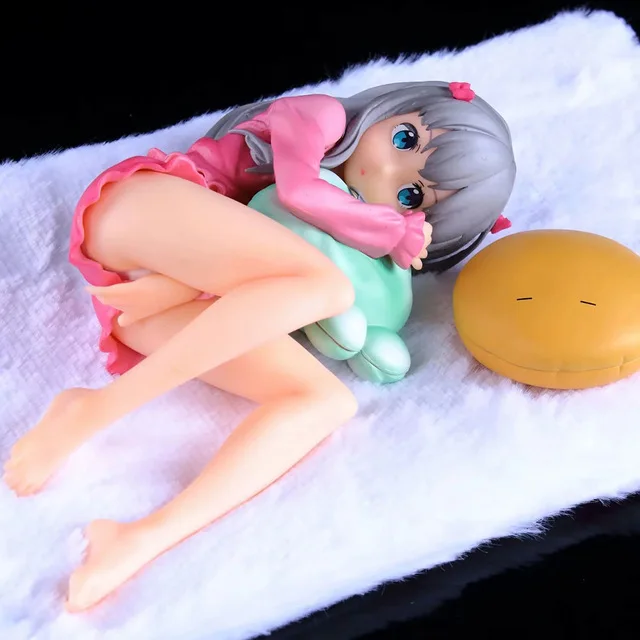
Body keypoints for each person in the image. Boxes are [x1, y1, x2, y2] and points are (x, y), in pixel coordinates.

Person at [3, 80, 516, 611]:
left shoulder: (341, 236)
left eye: (410, 195)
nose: (383, 172)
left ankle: (138, 540)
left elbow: (255, 277)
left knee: (324, 402)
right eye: (404, 138)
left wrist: (179, 287)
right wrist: (388, 229)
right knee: (326, 286)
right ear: (394, 107)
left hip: (146, 302)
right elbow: (298, 192)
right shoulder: (321, 116)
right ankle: (97, 408)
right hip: (136, 209)